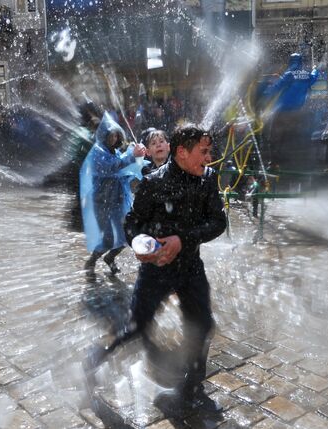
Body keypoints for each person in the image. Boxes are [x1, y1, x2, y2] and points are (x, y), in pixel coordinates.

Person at [86, 123, 227, 416]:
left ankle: (191, 388)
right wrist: (139, 244)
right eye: (203, 152)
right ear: (182, 153)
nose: (209, 157)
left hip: (190, 267)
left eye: (209, 151)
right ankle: (94, 361)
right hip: (157, 271)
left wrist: (182, 239)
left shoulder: (209, 179)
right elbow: (132, 222)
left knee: (202, 325)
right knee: (137, 327)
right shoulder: (155, 182)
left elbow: (218, 222)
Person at [80, 112, 146, 273]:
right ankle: (92, 261)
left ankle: (109, 258)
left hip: (118, 200)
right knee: (109, 238)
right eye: (111, 135)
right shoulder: (97, 152)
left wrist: (136, 155)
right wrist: (132, 156)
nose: (114, 138)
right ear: (104, 134)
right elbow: (113, 167)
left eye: (116, 136)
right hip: (102, 202)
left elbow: (122, 166)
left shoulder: (113, 151)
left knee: (127, 235)